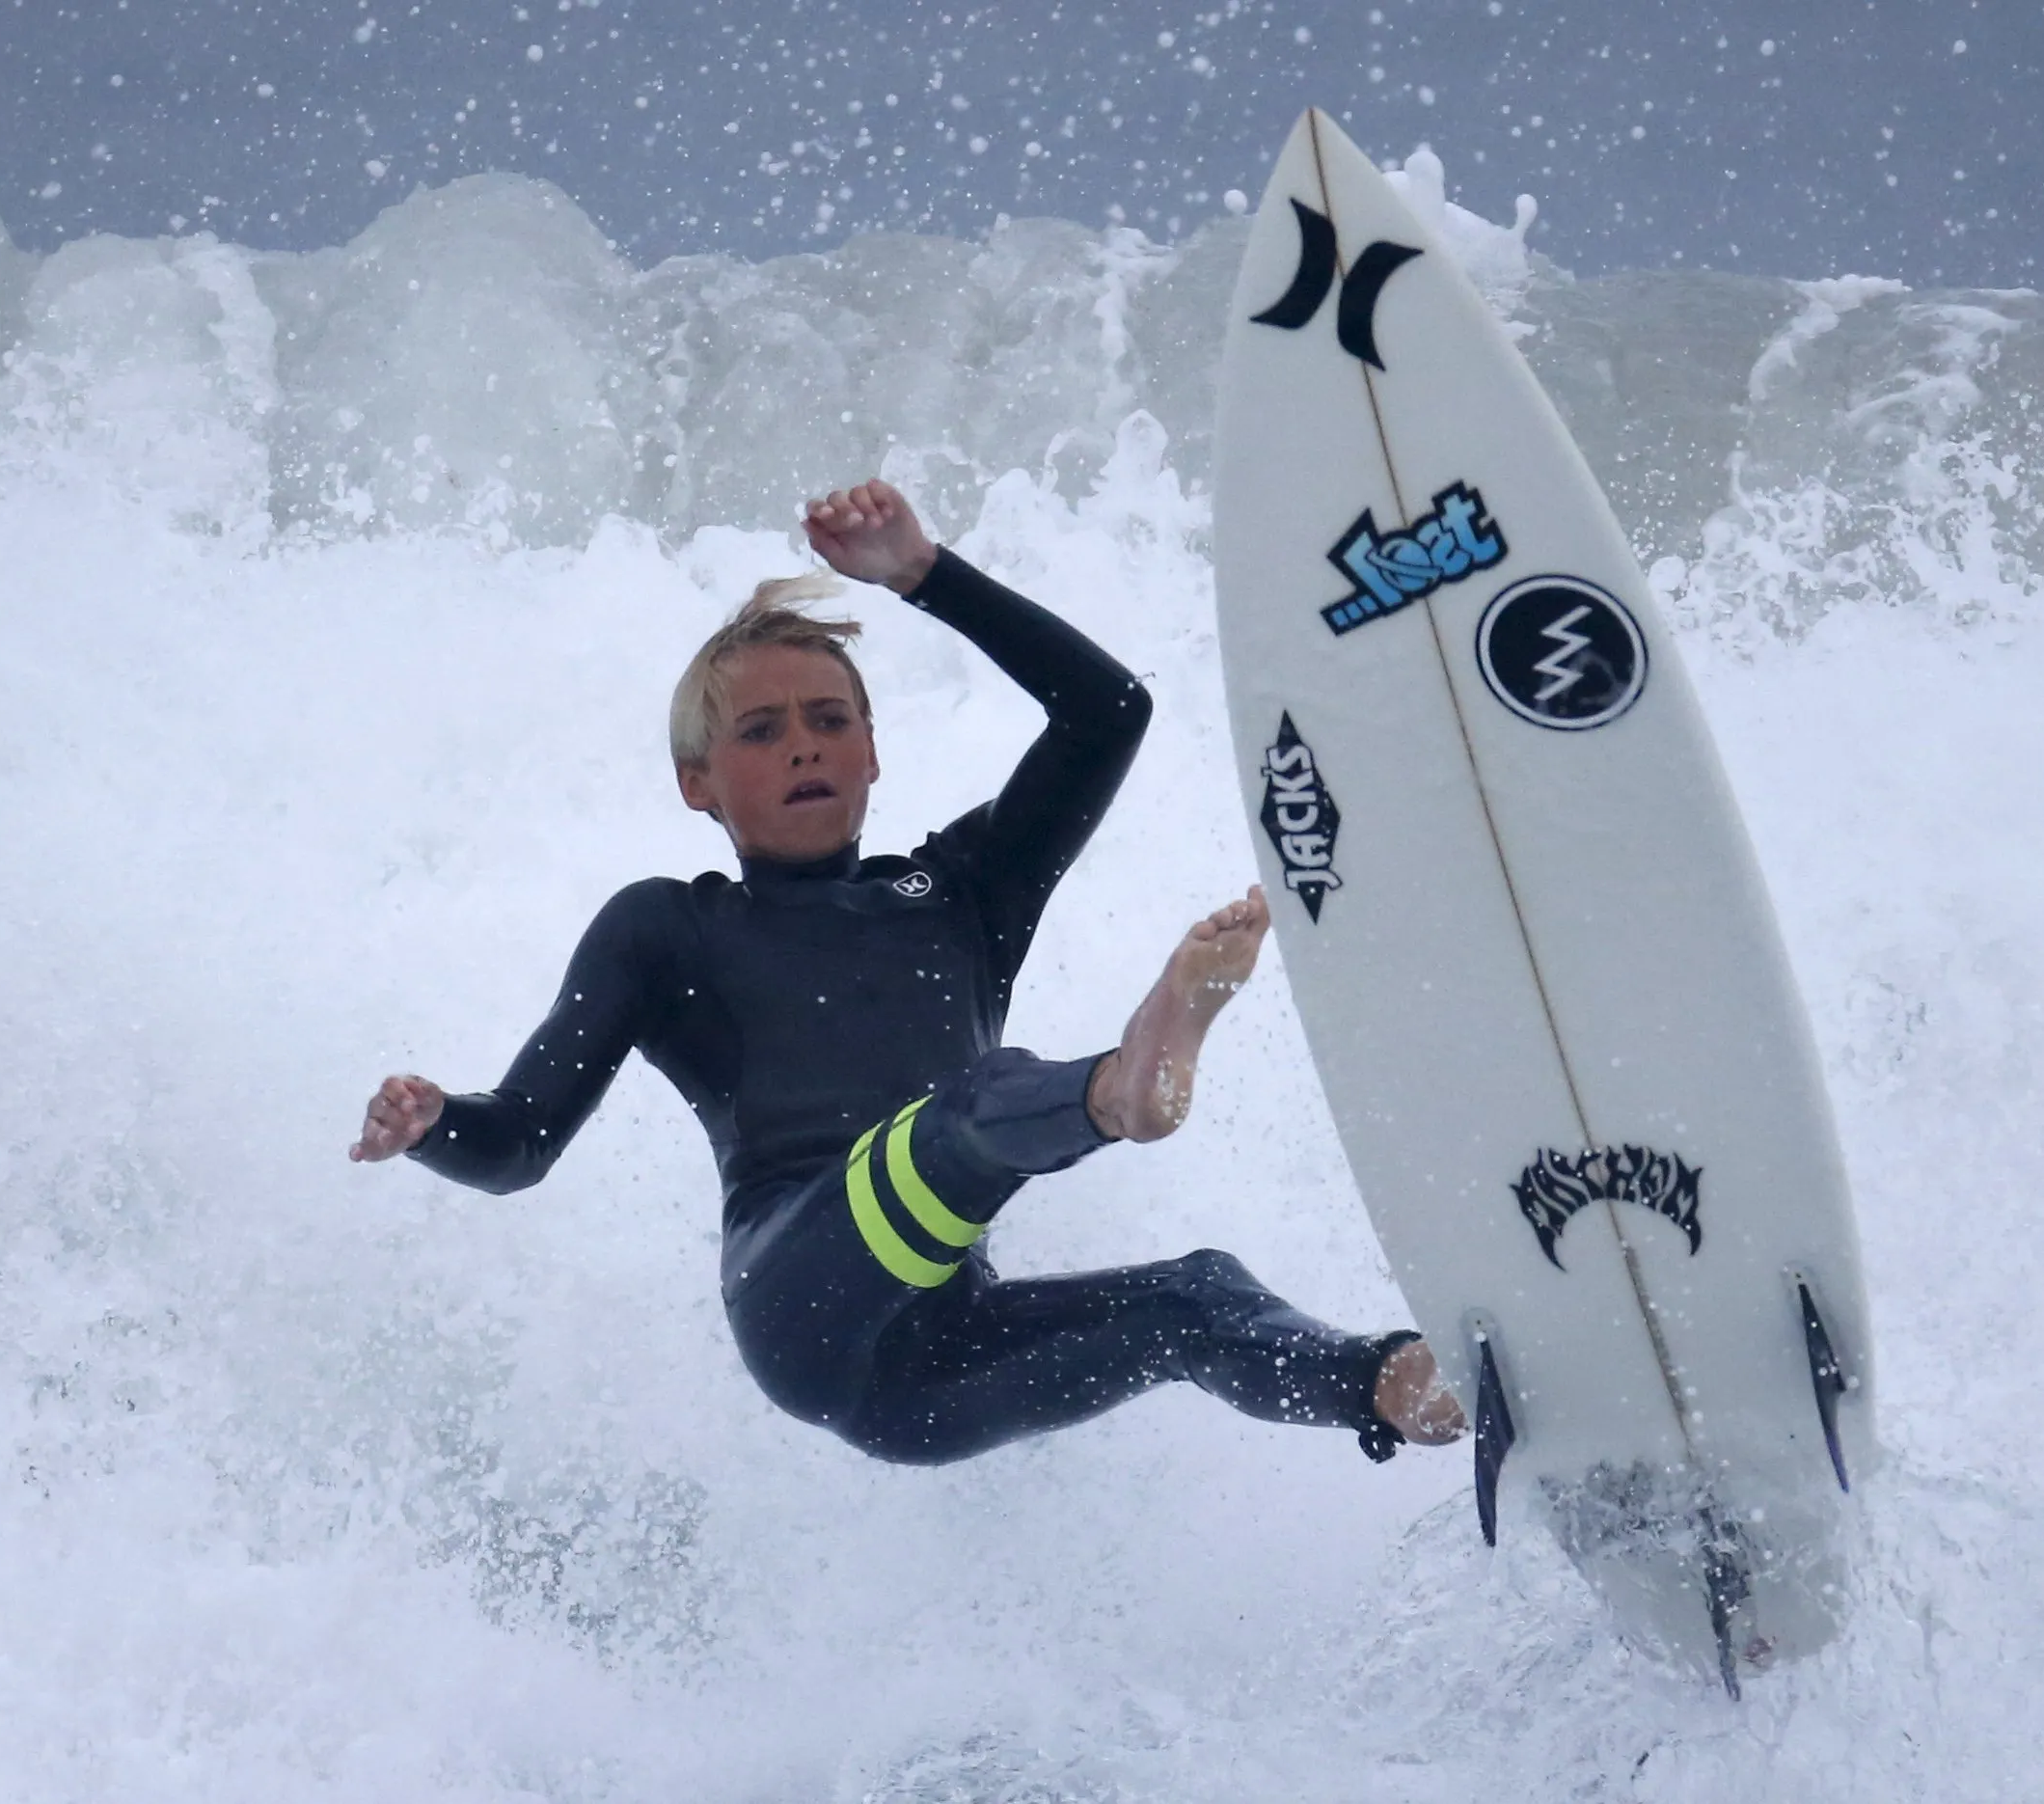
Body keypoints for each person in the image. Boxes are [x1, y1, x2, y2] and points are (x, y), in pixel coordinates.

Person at [351, 478, 1465, 1466]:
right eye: (760, 732)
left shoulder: (962, 894)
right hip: (803, 1311)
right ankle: (1118, 1091)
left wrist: (925, 575)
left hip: (942, 1363)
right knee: (965, 1111)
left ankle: (1400, 1384)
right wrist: (436, 1123)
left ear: (872, 751)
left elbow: (1107, 714)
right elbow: (520, 1142)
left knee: (1194, 1295)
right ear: (697, 783)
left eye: (829, 720)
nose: (803, 744)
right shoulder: (664, 929)